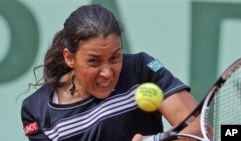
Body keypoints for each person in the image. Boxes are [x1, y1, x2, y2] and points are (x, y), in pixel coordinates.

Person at [21, 4, 201, 141]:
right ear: (69, 58)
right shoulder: (36, 110)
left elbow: (200, 130)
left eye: (115, 58)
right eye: (94, 61)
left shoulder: (142, 68)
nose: (107, 73)